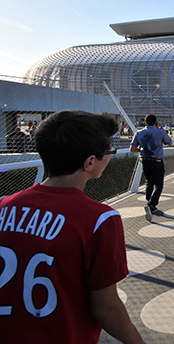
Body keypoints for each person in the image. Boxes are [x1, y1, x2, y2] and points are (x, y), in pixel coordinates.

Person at [0, 110, 145, 344]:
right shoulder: (99, 220)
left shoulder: (3, 206)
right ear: (90, 162)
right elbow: (106, 308)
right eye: (109, 151)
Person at [130, 114, 172, 223]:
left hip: (145, 160)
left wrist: (142, 151)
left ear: (145, 122)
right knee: (159, 185)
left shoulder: (139, 133)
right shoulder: (160, 132)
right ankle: (151, 204)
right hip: (157, 161)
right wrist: (162, 129)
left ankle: (150, 204)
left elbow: (132, 149)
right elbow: (169, 142)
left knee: (149, 182)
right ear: (155, 122)